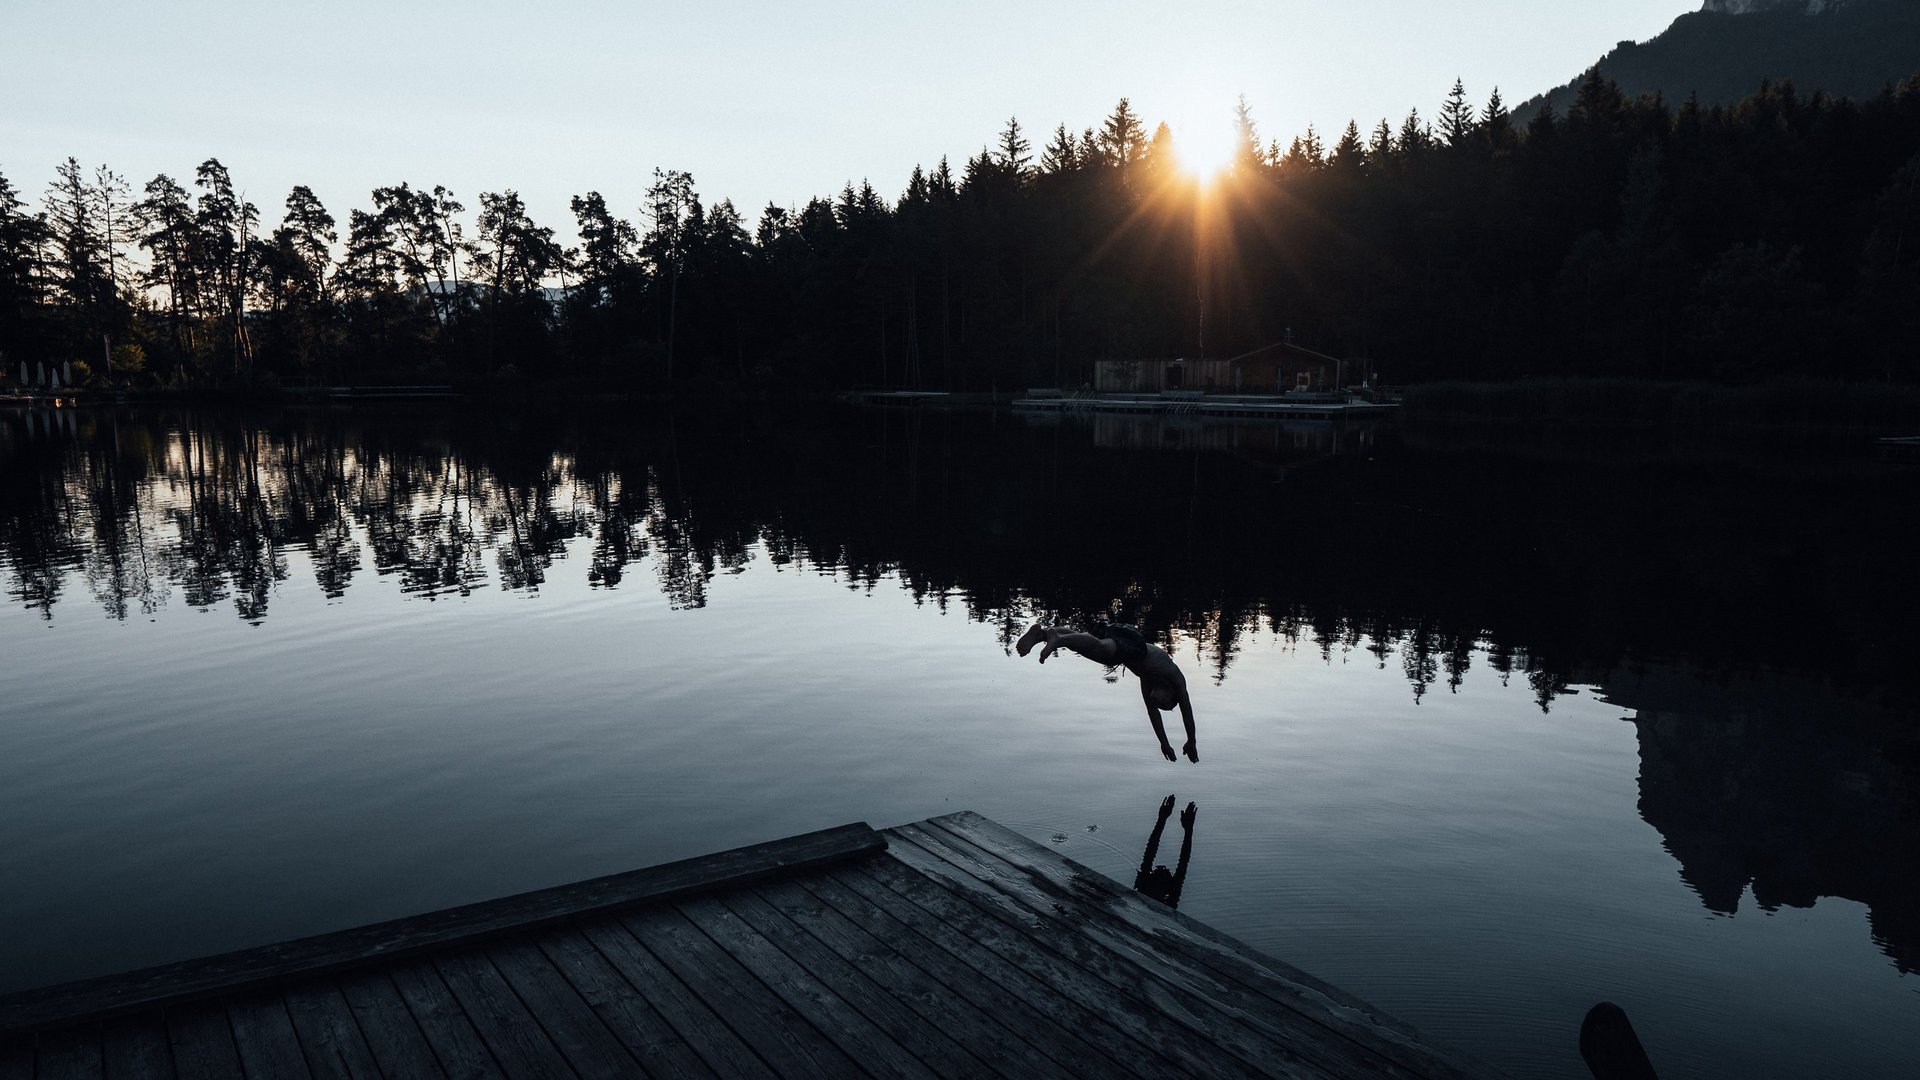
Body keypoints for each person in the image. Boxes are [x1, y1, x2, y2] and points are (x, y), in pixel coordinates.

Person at [1016, 620, 1197, 762]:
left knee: (1088, 645)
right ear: (1172, 695)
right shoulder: (1175, 678)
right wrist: (1191, 741)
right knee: (1102, 650)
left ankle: (1042, 635)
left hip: (1127, 642)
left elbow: (1152, 713)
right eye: (1165, 704)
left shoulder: (1148, 679)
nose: (1159, 704)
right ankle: (1058, 640)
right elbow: (1187, 712)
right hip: (1134, 645)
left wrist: (1164, 744)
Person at [1135, 795, 1197, 908]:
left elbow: (1150, 851)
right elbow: (1184, 861)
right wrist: (1188, 831)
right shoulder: (1171, 897)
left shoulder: (1144, 889)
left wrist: (1162, 819)